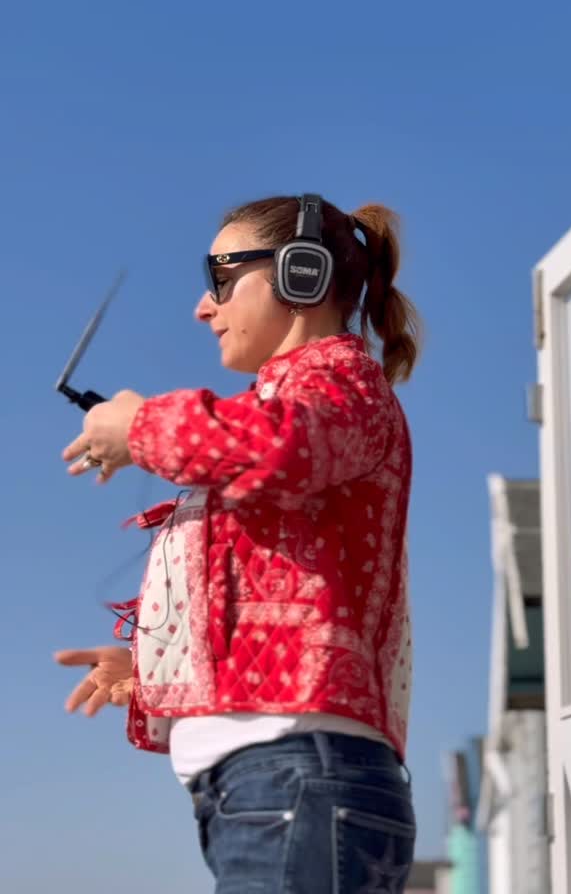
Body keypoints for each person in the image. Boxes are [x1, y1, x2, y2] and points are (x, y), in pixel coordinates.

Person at [55, 193, 423, 894]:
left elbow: (278, 446)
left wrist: (139, 425)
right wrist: (151, 662)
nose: (203, 305)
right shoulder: (300, 399)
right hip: (283, 783)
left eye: (221, 276)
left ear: (302, 274)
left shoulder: (339, 383)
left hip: (296, 777)